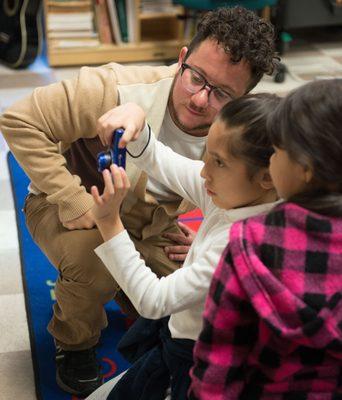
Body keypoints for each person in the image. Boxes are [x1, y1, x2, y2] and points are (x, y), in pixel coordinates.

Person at [0, 6, 277, 397]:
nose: (199, 99)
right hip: (77, 203)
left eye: (221, 94)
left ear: (243, 98)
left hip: (147, 217)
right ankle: (75, 343)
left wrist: (204, 241)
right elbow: (18, 120)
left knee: (197, 302)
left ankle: (124, 292)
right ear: (181, 59)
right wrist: (73, 200)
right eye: (195, 77)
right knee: (93, 263)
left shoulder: (239, 134)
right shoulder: (112, 87)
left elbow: (209, 190)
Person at [86, 93, 280, 399]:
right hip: (178, 331)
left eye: (218, 162)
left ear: (267, 177)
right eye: (206, 155)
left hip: (192, 360)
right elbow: (159, 160)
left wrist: (110, 224)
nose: (204, 172)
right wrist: (137, 115)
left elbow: (153, 300)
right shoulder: (236, 194)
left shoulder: (241, 245)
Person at [189, 79, 342, 400]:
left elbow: (219, 359)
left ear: (305, 169)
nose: (269, 161)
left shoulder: (248, 243)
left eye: (278, 150)